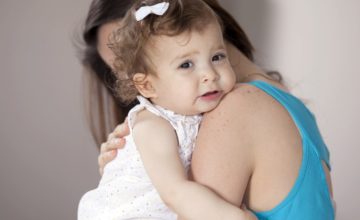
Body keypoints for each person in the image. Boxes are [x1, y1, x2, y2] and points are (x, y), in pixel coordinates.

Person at [79, 0, 335, 219]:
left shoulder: (235, 110)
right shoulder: (284, 101)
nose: (133, 82)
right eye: (123, 71)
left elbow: (181, 198)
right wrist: (130, 177)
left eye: (134, 54)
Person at [78, 0, 257, 219]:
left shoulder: (223, 105)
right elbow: (176, 192)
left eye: (217, 57)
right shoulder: (153, 125)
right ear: (146, 85)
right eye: (186, 65)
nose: (209, 73)